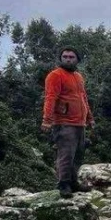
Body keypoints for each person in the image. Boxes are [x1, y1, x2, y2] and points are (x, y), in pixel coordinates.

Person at [41, 47, 95, 198]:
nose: (68, 59)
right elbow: (50, 98)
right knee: (65, 155)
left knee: (77, 155)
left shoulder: (78, 76)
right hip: (64, 123)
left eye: (71, 57)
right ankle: (63, 185)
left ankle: (73, 182)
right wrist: (47, 120)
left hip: (80, 123)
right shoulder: (55, 75)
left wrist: (90, 118)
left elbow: (83, 98)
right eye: (65, 57)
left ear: (77, 59)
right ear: (61, 59)